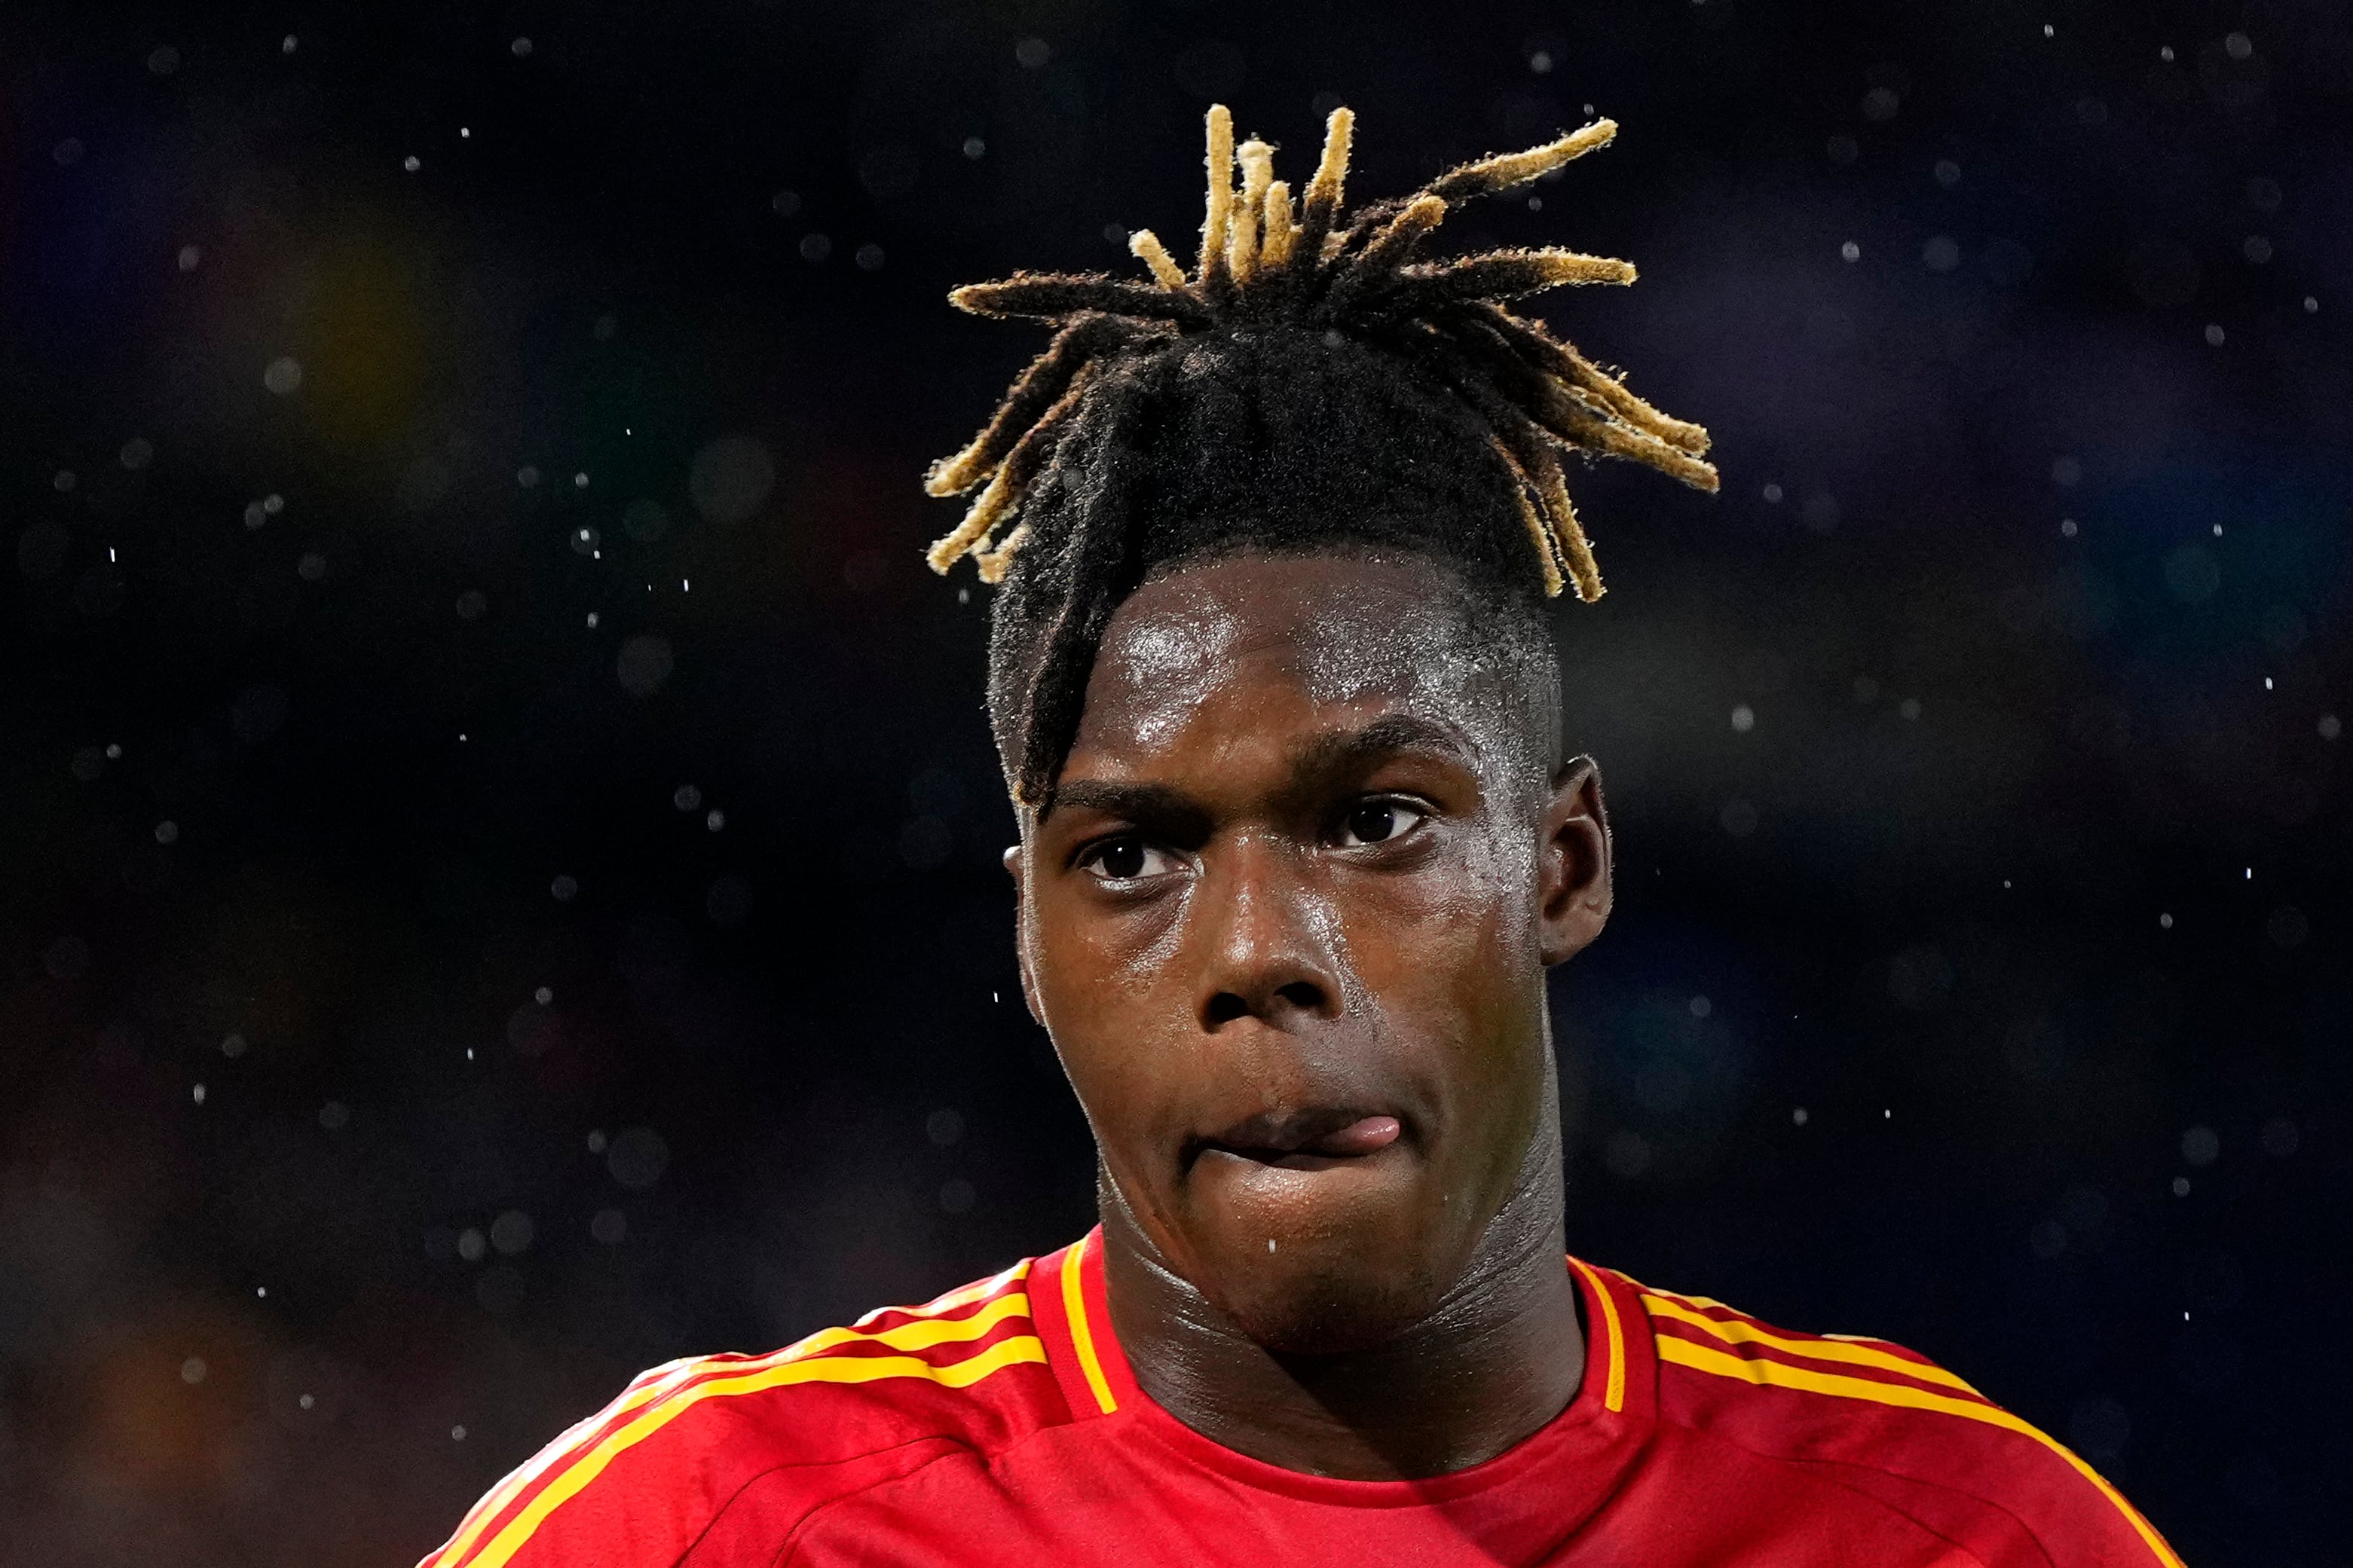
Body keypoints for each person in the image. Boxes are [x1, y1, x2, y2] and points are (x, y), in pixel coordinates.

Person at [418, 105, 2181, 1568]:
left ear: (1561, 868)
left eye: (1373, 823)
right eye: (1131, 857)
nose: (1261, 947)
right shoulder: (701, 1534)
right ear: (1026, 931)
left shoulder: (1964, 1540)